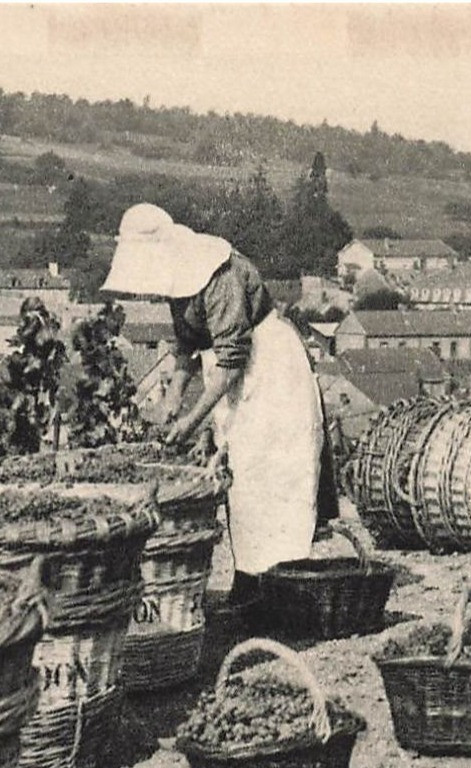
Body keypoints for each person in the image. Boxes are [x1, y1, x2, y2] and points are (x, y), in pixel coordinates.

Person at [101, 203, 325, 605]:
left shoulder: (218, 272)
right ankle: (250, 581)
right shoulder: (180, 281)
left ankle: (283, 587)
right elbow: (186, 347)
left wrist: (189, 421)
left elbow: (231, 361)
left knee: (276, 474)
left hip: (269, 369)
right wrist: (170, 402)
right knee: (242, 477)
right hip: (232, 376)